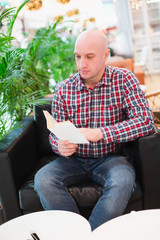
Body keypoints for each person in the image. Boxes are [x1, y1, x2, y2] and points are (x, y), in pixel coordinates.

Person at [34, 29, 155, 230]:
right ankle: (76, 233)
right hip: (72, 160)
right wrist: (59, 145)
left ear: (106, 55)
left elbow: (145, 121)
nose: (82, 64)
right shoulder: (64, 89)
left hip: (112, 158)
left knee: (123, 180)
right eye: (78, 57)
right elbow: (54, 135)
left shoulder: (124, 80)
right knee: (43, 179)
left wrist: (101, 133)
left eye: (89, 57)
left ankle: (92, 234)